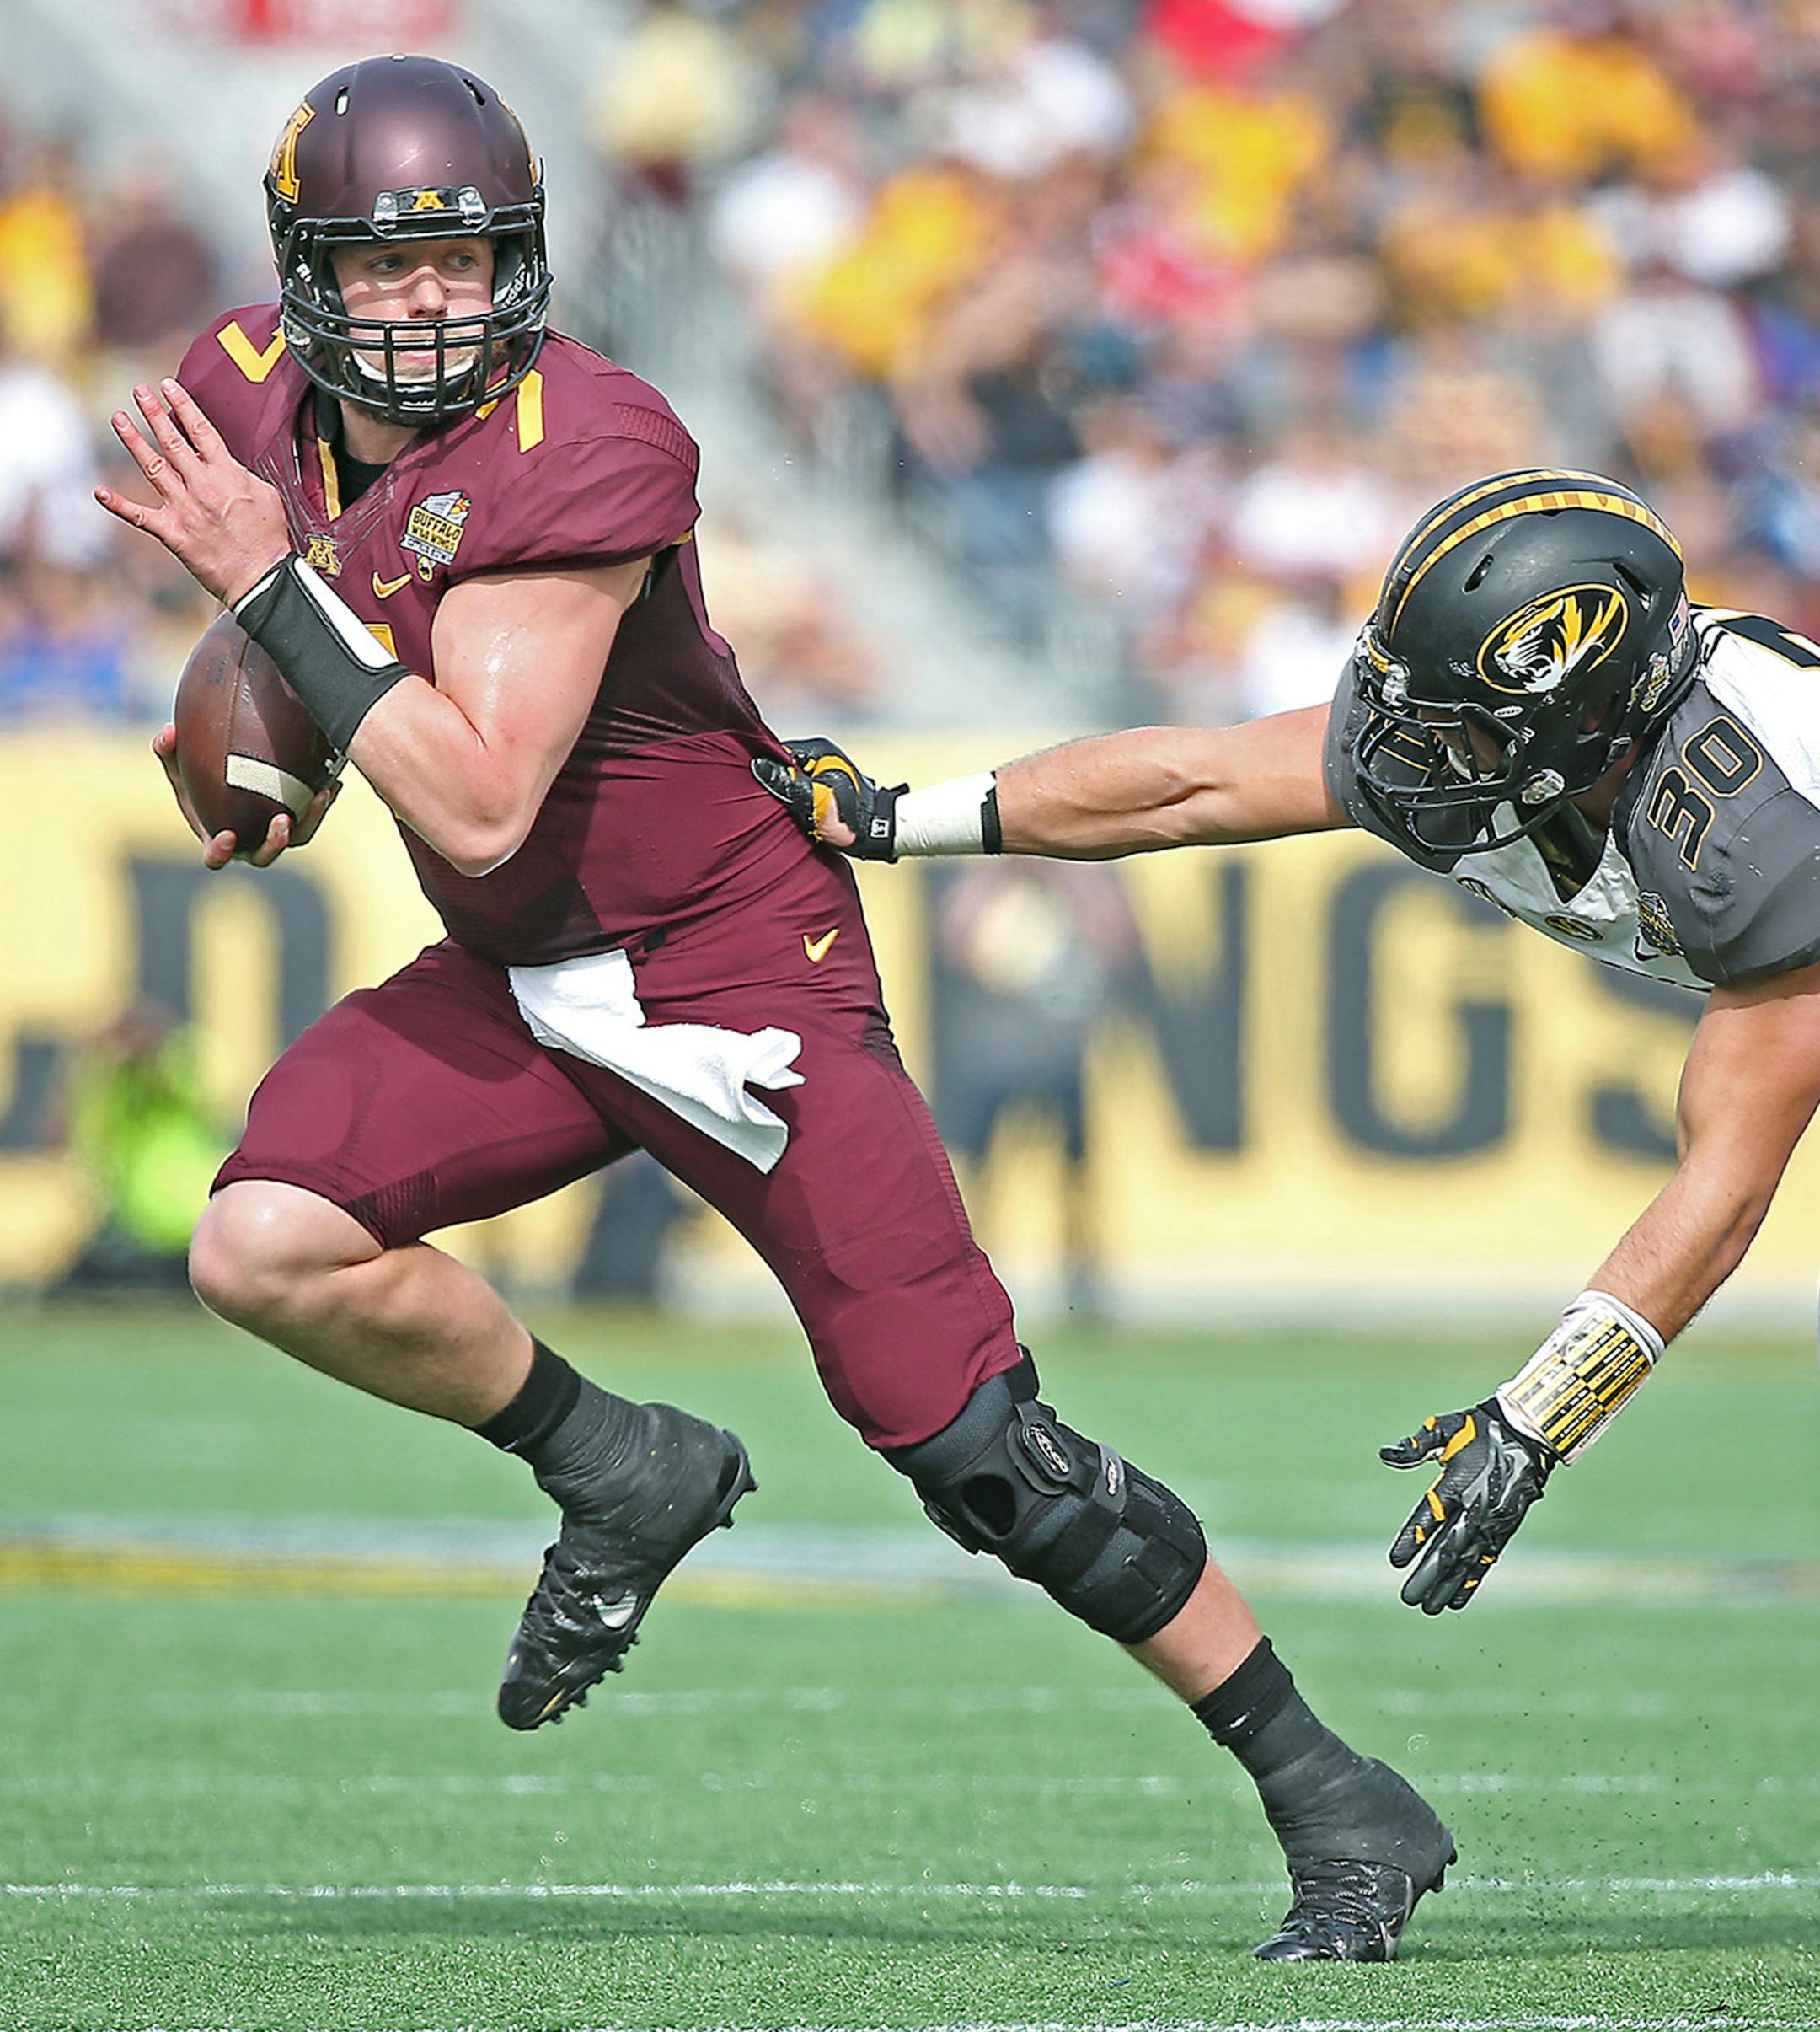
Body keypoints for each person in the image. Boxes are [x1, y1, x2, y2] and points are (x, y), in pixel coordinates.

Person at [96, 54, 1452, 1963]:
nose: (425, 309)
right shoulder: (257, 396)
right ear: (304, 277)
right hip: (520, 975)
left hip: (733, 967)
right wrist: (272, 705)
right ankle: (615, 1463)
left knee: (972, 1442)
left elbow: (480, 786)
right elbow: (342, 645)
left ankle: (1334, 1789)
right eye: (380, 273)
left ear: (529, 260)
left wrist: (271, 606)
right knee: (260, 1243)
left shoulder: (594, 443)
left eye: (462, 264)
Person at [760, 465, 1820, 1616]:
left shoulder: (1762, 831)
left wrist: (1534, 1423)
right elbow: (1189, 785)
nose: (1414, 756)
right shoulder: (1549, 742)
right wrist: (891, 818)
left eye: (1460, 733)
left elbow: (1725, 1183)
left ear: (1585, 713)